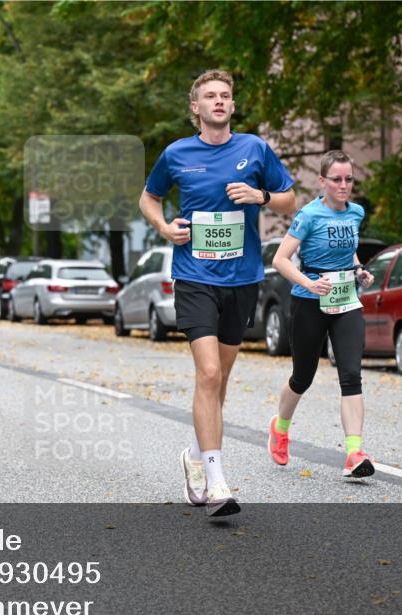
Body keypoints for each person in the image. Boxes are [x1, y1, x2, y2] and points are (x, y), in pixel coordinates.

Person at [139, 69, 296, 519]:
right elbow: (149, 199)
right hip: (194, 276)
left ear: (232, 104)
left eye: (225, 95)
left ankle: (193, 453)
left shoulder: (254, 148)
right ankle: (217, 480)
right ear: (196, 107)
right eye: (210, 95)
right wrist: (164, 227)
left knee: (219, 380)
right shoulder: (176, 153)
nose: (219, 101)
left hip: (242, 278)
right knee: (208, 373)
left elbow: (289, 200)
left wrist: (260, 194)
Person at [267, 150, 376, 477]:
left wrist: (358, 269)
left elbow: (349, 247)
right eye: (337, 180)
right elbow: (281, 259)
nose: (344, 186)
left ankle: (354, 453)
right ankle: (280, 427)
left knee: (351, 374)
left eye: (348, 179)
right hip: (309, 301)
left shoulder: (355, 212)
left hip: (345, 300)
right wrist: (308, 283)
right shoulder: (308, 215)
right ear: (322, 182)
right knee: (303, 376)